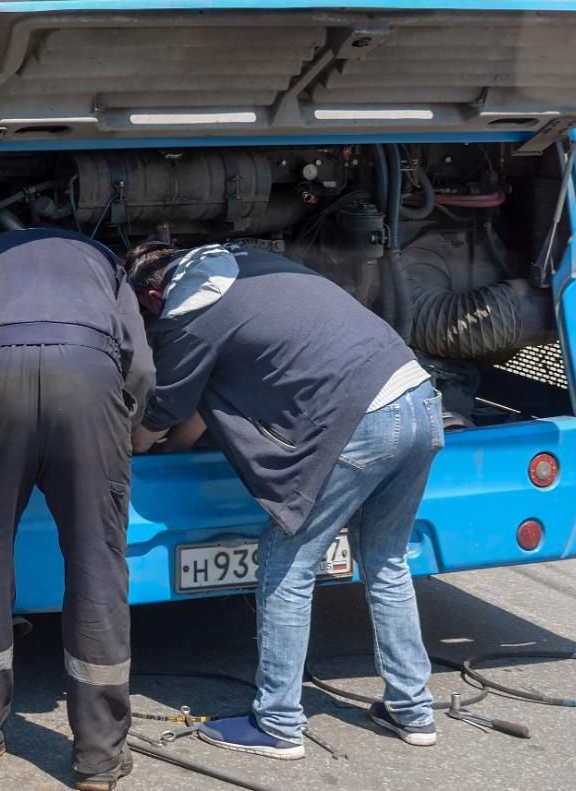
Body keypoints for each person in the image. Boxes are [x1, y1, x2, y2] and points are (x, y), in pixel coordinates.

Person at [126, 241, 443, 759]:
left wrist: (135, 448)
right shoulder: (251, 263)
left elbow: (163, 413)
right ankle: (413, 710)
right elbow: (206, 404)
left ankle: (276, 723)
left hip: (362, 420)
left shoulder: (187, 303)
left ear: (155, 293)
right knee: (386, 562)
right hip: (420, 401)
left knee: (286, 566)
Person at [0, 228, 155, 790]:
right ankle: (98, 759)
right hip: (89, 381)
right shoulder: (105, 261)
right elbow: (140, 368)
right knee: (96, 565)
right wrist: (119, 423)